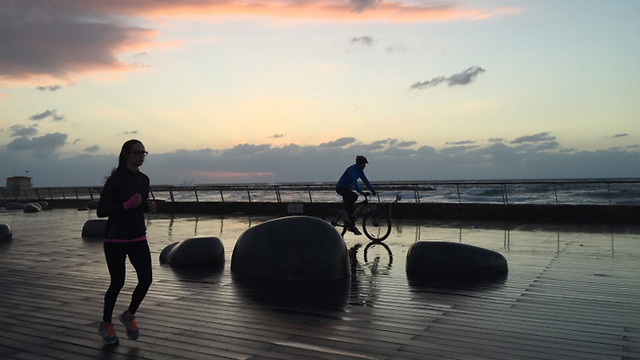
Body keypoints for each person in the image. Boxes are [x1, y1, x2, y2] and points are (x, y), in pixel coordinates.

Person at [96, 139, 156, 344]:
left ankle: (129, 315)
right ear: (126, 155)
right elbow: (101, 211)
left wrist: (146, 206)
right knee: (117, 282)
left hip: (138, 235)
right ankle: (106, 324)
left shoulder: (143, 179)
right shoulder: (115, 181)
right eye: (137, 152)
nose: (141, 156)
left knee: (146, 279)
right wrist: (126, 205)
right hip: (116, 238)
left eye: (143, 153)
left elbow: (137, 207)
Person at [336, 155, 376, 235]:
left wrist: (372, 190)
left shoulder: (360, 172)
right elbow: (354, 180)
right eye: (363, 164)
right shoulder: (352, 170)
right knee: (354, 196)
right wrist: (359, 191)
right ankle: (343, 212)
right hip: (341, 187)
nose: (364, 166)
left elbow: (365, 181)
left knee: (351, 207)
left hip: (347, 189)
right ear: (359, 164)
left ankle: (350, 225)